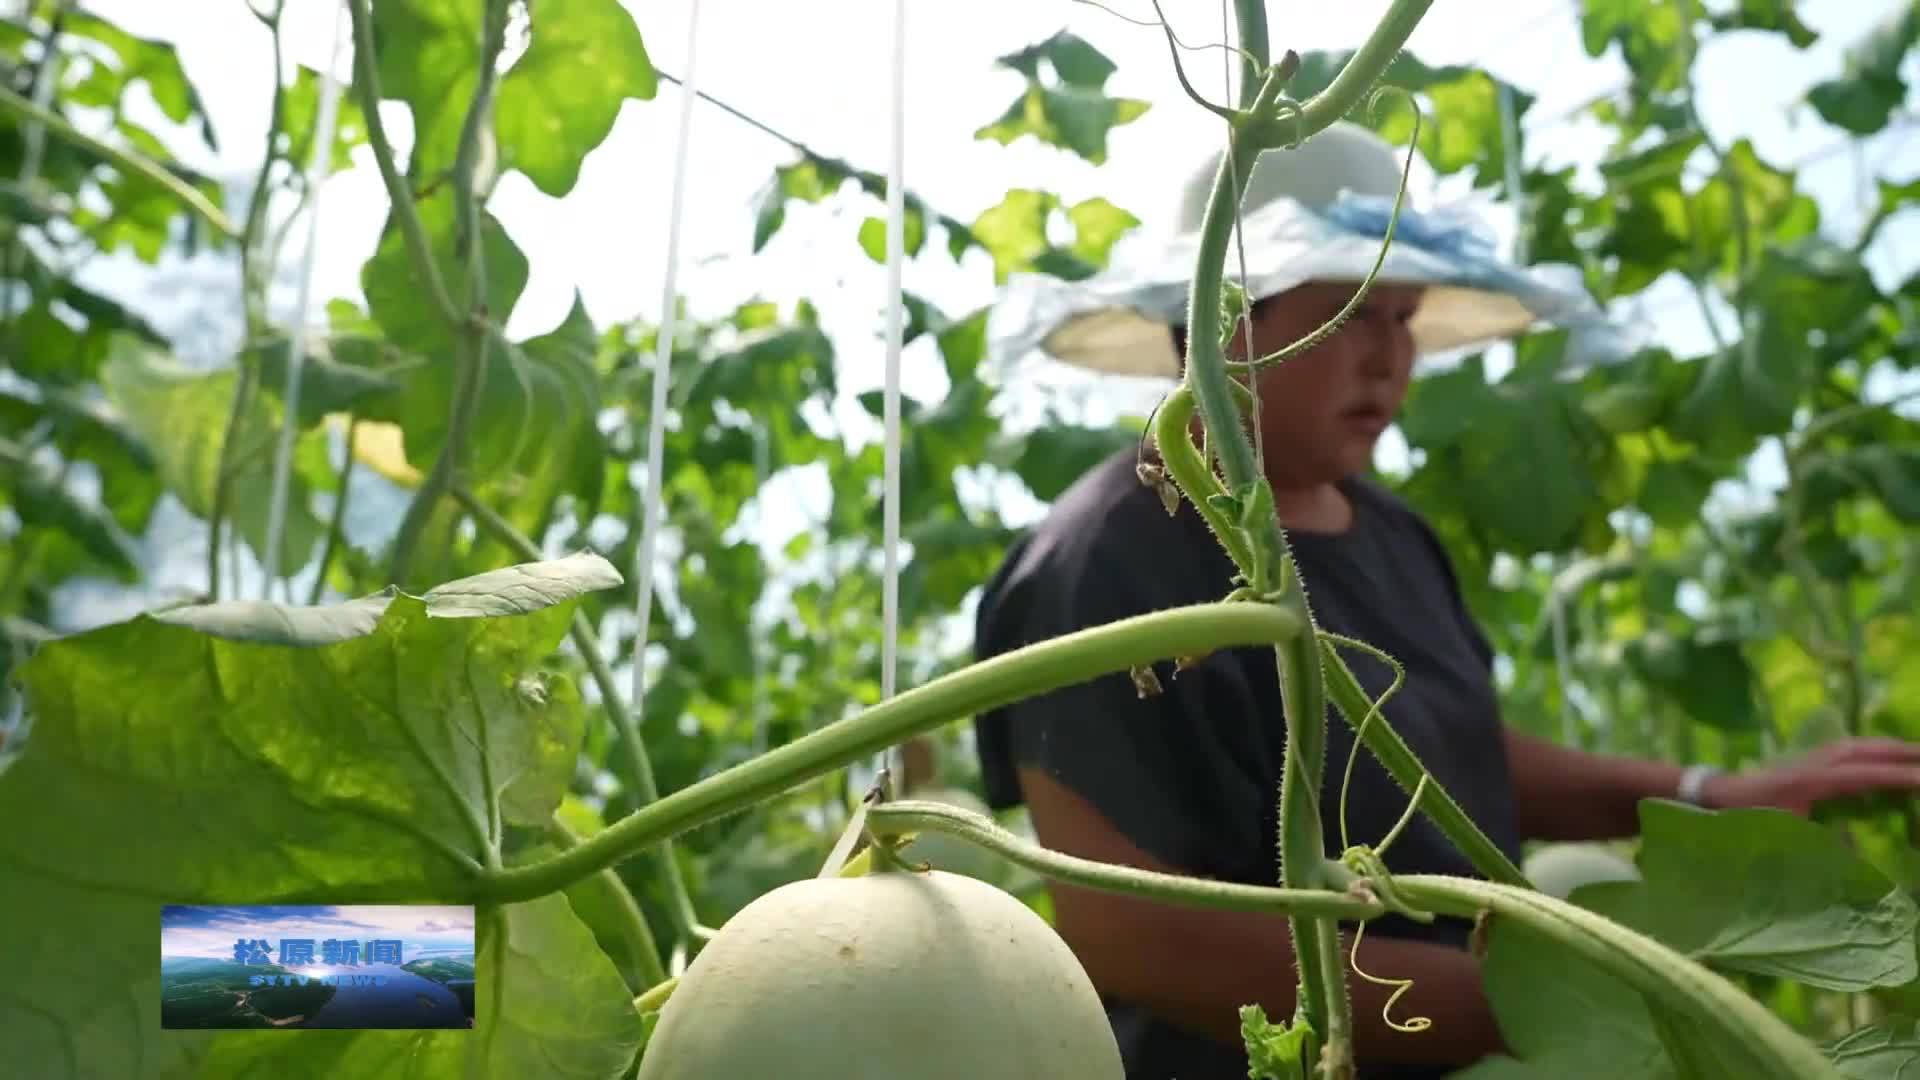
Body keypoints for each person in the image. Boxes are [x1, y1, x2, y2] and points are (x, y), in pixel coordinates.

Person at [969, 122, 1920, 1079]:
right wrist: (1558, 1008)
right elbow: (1130, 934)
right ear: (1221, 324)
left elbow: (1452, 751)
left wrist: (1706, 797)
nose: (1390, 358)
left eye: (1405, 317)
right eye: (1350, 315)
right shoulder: (1099, 561)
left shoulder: (1393, 533)